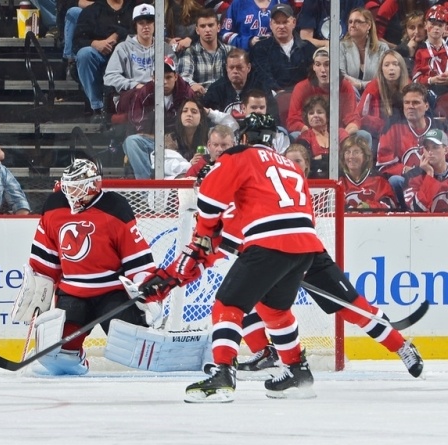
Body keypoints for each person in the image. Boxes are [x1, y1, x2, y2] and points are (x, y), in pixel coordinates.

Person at [141, 113, 325, 402]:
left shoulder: (237, 159)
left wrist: (194, 246)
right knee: (275, 311)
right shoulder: (288, 164)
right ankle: (297, 370)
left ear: (242, 139)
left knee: (228, 304)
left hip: (268, 244)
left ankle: (223, 374)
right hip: (306, 245)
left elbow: (209, 217)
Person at [235, 141, 423, 379]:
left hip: (308, 255)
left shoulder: (303, 191)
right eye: (288, 160)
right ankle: (265, 352)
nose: (291, 166)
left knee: (353, 309)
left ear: (306, 166)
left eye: (298, 161)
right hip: (276, 254)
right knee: (248, 296)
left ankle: (402, 347)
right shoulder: (264, 189)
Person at [10, 158, 156, 375]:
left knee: (134, 350)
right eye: (68, 186)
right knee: (60, 357)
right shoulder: (54, 206)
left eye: (78, 186)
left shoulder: (115, 207)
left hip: (112, 293)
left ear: (95, 185)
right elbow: (45, 258)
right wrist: (38, 285)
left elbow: (137, 258)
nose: (72, 193)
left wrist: (148, 291)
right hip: (72, 293)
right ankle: (76, 358)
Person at [71, 0, 137, 121]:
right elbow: (76, 42)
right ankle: (98, 107)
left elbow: (141, 30)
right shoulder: (92, 10)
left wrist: (117, 35)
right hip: (100, 54)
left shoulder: (134, 8)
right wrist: (95, 43)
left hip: (127, 55)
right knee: (84, 54)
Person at [103, 4, 172, 112]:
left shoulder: (165, 48)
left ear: (155, 24)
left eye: (149, 22)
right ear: (135, 26)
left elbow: (175, 74)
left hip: (159, 93)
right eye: (141, 23)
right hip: (132, 94)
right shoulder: (123, 48)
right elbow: (110, 77)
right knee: (142, 96)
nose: (146, 27)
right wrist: (135, 85)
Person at [377, 82, 436, 207]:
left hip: (436, 179)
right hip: (407, 181)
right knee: (394, 180)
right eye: (407, 103)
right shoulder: (392, 128)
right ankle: (403, 211)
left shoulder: (440, 128)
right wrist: (411, 171)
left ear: (426, 106)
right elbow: (384, 165)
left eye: (415, 102)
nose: (410, 106)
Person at [286, 47, 361, 136]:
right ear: (313, 67)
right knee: (295, 135)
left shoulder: (345, 86)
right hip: (310, 135)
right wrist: (316, 136)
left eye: (327, 64)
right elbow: (293, 121)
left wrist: (341, 137)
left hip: (338, 135)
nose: (323, 70)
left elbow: (353, 119)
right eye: (318, 65)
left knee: (363, 134)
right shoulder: (301, 88)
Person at [250, 4, 316, 93]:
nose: (281, 27)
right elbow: (264, 78)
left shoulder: (308, 48)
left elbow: (312, 78)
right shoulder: (260, 48)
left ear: (294, 22)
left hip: (303, 97)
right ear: (270, 24)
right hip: (272, 100)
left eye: (285, 22)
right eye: (277, 22)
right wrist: (281, 94)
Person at [202, 48, 277, 118]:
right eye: (231, 67)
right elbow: (206, 118)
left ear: (248, 68)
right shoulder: (215, 89)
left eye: (239, 67)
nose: (235, 71)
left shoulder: (261, 87)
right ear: (226, 68)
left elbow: (273, 116)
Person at [355, 49, 410, 139]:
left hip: (405, 133)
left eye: (395, 64)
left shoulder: (409, 87)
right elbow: (360, 114)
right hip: (377, 134)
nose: (391, 68)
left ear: (402, 68)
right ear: (381, 69)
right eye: (386, 65)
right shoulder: (372, 87)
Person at [179, 8, 233, 97]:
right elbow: (183, 77)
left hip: (224, 99)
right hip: (200, 100)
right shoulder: (190, 53)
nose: (207, 30)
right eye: (203, 26)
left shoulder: (230, 51)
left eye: (211, 25)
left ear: (218, 27)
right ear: (197, 30)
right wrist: (192, 84)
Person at [338, 134, 398, 211]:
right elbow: (331, 206)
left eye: (356, 152)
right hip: (345, 223)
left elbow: (389, 205)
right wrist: (351, 210)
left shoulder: (378, 180)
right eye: (347, 152)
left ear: (365, 156)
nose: (351, 156)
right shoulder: (338, 180)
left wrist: (367, 206)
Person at [296, 95, 349, 178]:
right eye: (311, 113)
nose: (315, 115)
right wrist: (330, 158)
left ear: (327, 116)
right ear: (307, 117)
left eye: (320, 112)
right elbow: (307, 164)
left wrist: (321, 158)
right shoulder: (304, 138)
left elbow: (348, 158)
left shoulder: (340, 133)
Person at [340, 8, 390, 95]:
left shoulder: (382, 48)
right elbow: (341, 75)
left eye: (357, 21)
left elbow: (385, 77)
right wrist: (367, 84)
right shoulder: (341, 47)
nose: (352, 25)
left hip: (376, 94)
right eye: (350, 22)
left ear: (369, 25)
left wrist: (361, 85)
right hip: (349, 94)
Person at [404, 128, 448, 212]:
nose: (430, 152)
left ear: (446, 150)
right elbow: (417, 209)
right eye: (427, 148)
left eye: (435, 147)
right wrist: (429, 174)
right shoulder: (412, 176)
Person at [411, 5, 448, 97]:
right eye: (432, 24)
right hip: (429, 93)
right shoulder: (420, 51)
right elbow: (415, 80)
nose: (436, 28)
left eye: (440, 25)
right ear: (425, 25)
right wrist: (431, 80)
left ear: (445, 28)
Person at [297, 0, 365, 49]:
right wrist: (327, 44)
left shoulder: (355, 2)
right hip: (319, 53)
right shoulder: (311, 2)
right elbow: (305, 38)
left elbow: (360, 35)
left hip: (348, 50)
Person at [219, 0, 283, 51]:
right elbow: (225, 35)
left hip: (274, 57)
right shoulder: (238, 3)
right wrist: (248, 41)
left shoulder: (280, 2)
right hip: (245, 59)